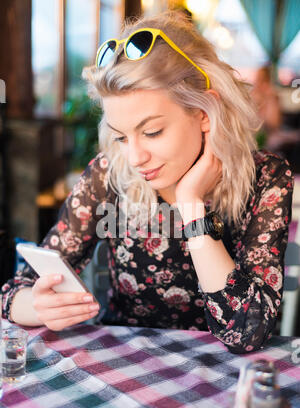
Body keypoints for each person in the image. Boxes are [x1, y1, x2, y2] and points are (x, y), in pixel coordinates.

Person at [1, 11, 294, 354]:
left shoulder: (266, 179)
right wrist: (37, 306)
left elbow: (248, 332)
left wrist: (190, 204)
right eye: (122, 137)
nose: (135, 157)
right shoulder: (110, 172)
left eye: (152, 131)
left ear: (204, 113)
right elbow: (16, 289)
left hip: (227, 378)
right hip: (125, 366)